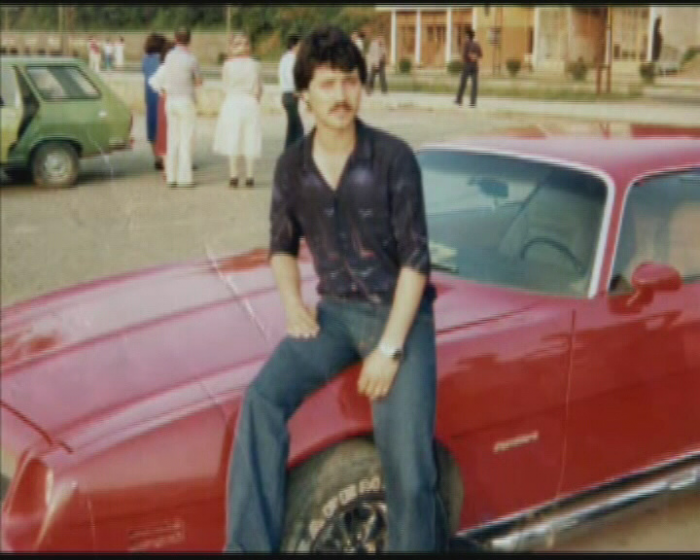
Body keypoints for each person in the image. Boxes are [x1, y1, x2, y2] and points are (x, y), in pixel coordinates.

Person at [225, 25, 440, 552]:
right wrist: (292, 303)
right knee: (262, 400)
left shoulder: (393, 158)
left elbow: (416, 262)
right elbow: (281, 246)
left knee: (408, 469)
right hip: (336, 315)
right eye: (327, 84)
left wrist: (390, 350)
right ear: (304, 94)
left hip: (401, 317)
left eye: (350, 81)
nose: (341, 95)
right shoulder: (292, 167)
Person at [152, 27, 202, 188]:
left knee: (172, 138)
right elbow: (198, 81)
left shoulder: (168, 57)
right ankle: (185, 178)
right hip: (185, 100)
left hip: (171, 100)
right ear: (190, 40)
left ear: (175, 38)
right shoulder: (192, 59)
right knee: (186, 139)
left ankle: (171, 176)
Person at [212, 32, 263, 188]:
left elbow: (225, 87)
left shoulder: (228, 66)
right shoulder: (255, 65)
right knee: (250, 138)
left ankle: (233, 176)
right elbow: (258, 89)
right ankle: (250, 176)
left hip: (232, 102)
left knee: (233, 138)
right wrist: (255, 100)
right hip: (249, 102)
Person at [142, 33, 166, 170]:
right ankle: (164, 157)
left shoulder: (145, 60)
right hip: (161, 96)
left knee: (152, 128)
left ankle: (156, 158)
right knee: (163, 127)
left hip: (149, 95)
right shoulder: (162, 60)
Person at [278, 33, 303, 149]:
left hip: (287, 94)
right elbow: (290, 76)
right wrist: (296, 89)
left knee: (292, 125)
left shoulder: (285, 58)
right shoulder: (291, 59)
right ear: (294, 46)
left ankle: (290, 149)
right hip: (290, 94)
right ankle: (295, 149)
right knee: (297, 126)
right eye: (300, 45)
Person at [454, 26, 482, 107]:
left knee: (463, 83)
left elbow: (464, 55)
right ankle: (473, 102)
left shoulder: (466, 43)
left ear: (467, 35)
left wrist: (465, 60)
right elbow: (480, 55)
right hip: (475, 66)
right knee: (474, 85)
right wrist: (476, 59)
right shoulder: (477, 44)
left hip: (467, 65)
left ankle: (459, 100)